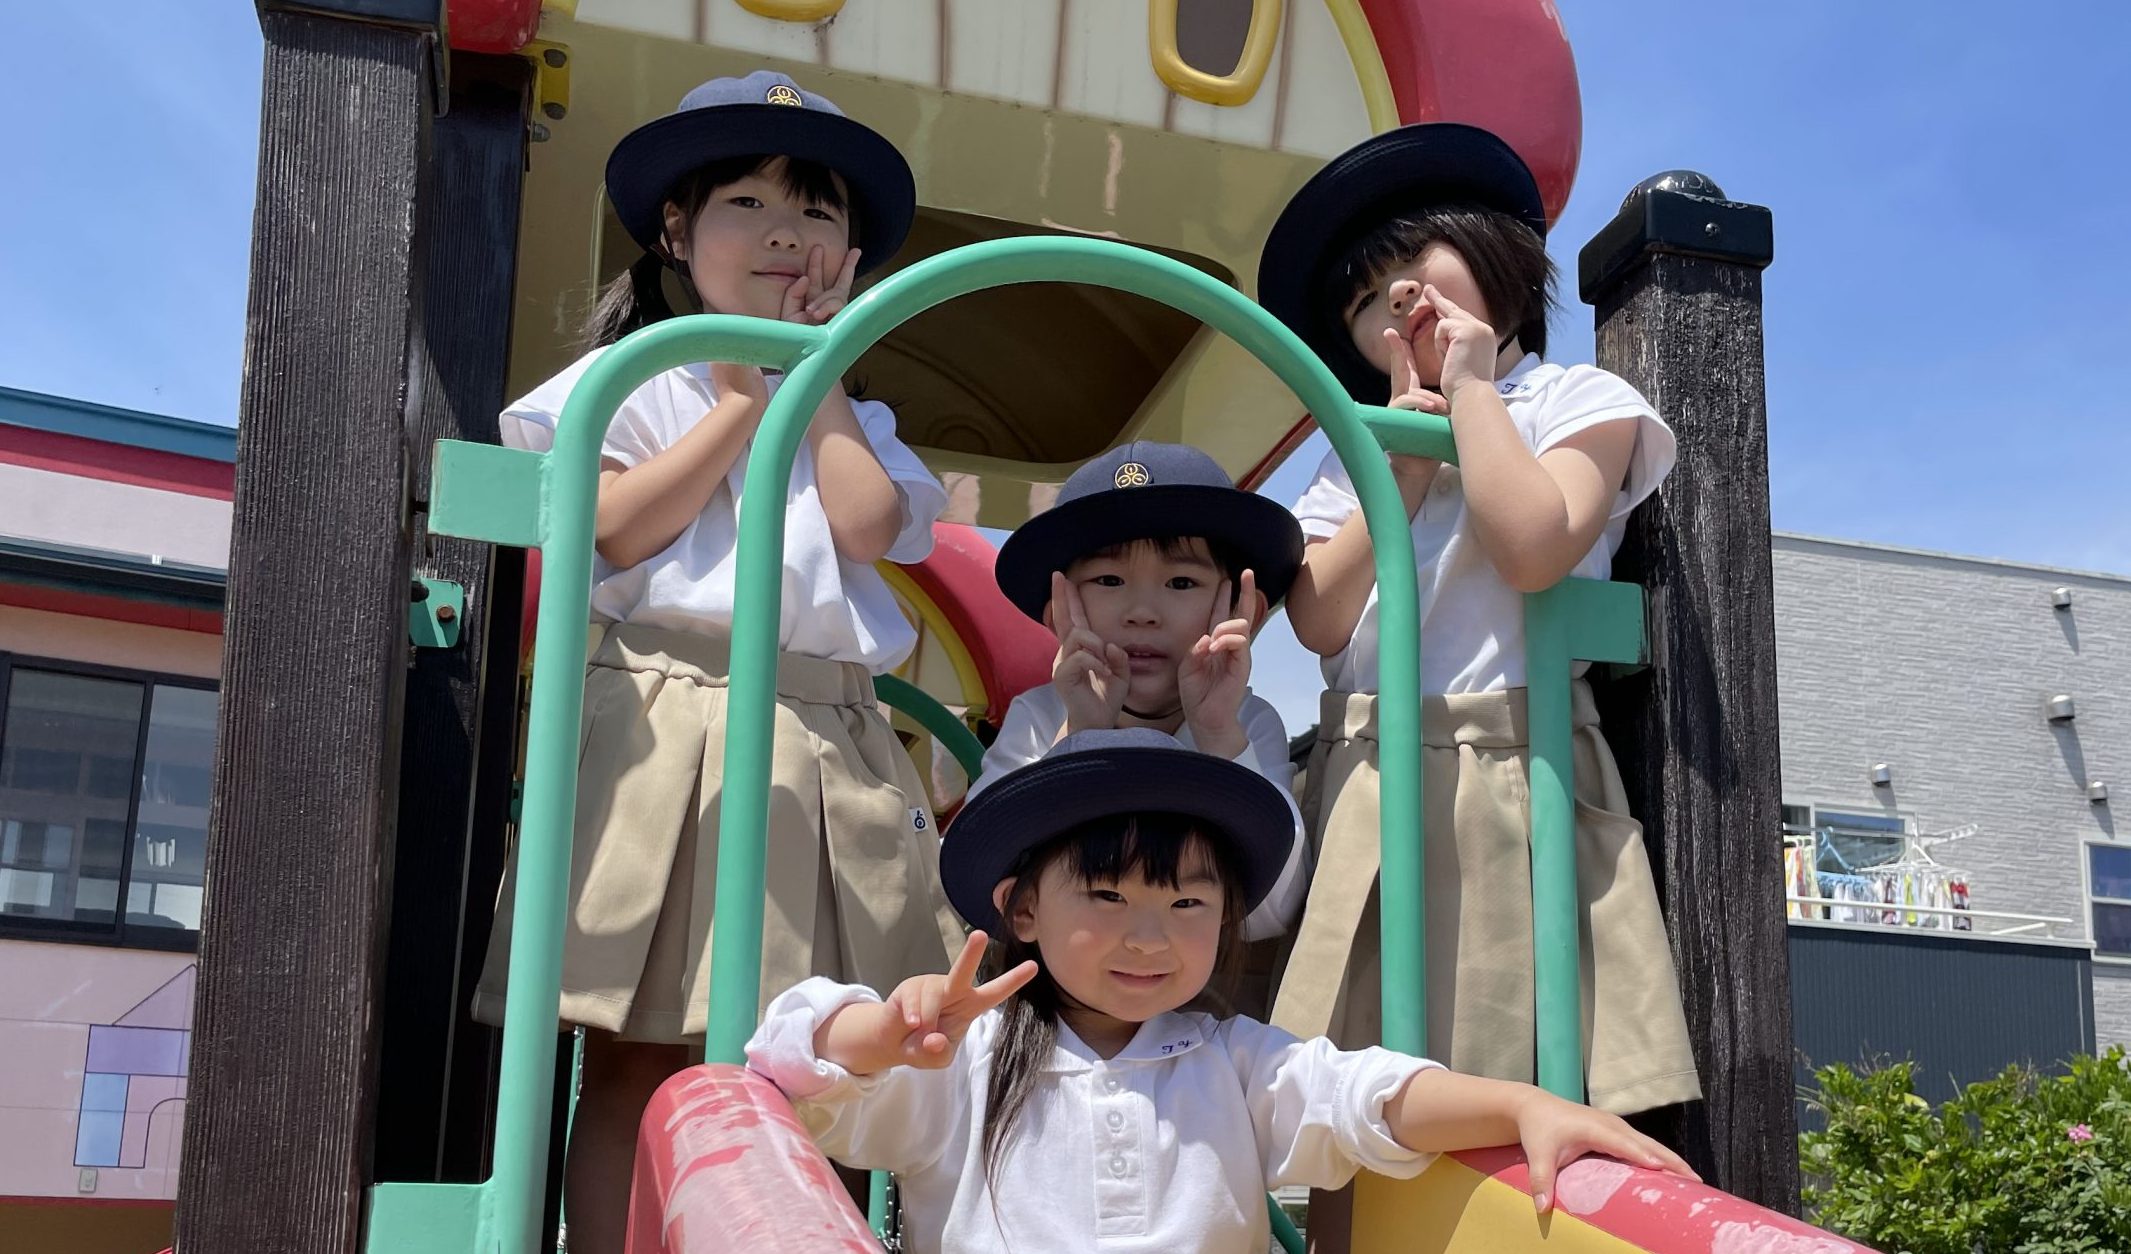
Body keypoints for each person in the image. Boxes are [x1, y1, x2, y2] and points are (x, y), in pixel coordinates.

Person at [468, 71, 962, 1254]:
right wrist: (740, 401)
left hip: (821, 738)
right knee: (635, 1049)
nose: (787, 232)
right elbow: (618, 525)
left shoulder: (859, 412)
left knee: (805, 1051)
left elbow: (862, 524)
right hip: (664, 719)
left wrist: (817, 370)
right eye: (745, 201)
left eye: (818, 212)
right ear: (677, 235)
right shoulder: (630, 379)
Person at [746, 729, 1696, 1254]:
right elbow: (793, 1066)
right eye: (1108, 896)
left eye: (1188, 900)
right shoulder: (963, 1062)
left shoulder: (1232, 1062)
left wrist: (1519, 1100)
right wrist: (884, 1031)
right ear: (1023, 908)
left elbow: (1366, 1096)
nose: (1149, 934)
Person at [1255, 123, 1699, 1115]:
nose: (1400, 297)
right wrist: (1403, 460)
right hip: (1371, 769)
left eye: (1418, 263)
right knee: (1357, 1094)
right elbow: (1318, 617)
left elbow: (1534, 544)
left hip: (1511, 759)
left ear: (1495, 256)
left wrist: (1467, 393)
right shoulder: (1358, 449)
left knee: (1499, 1066)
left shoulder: (1573, 398)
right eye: (1369, 298)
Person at [973, 441, 1309, 945]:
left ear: (1243, 611)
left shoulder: (1245, 722)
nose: (1142, 611)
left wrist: (1218, 733)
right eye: (1109, 579)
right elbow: (988, 892)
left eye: (1180, 582)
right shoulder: (1043, 717)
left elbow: (1272, 914)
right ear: (1058, 614)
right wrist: (1082, 733)